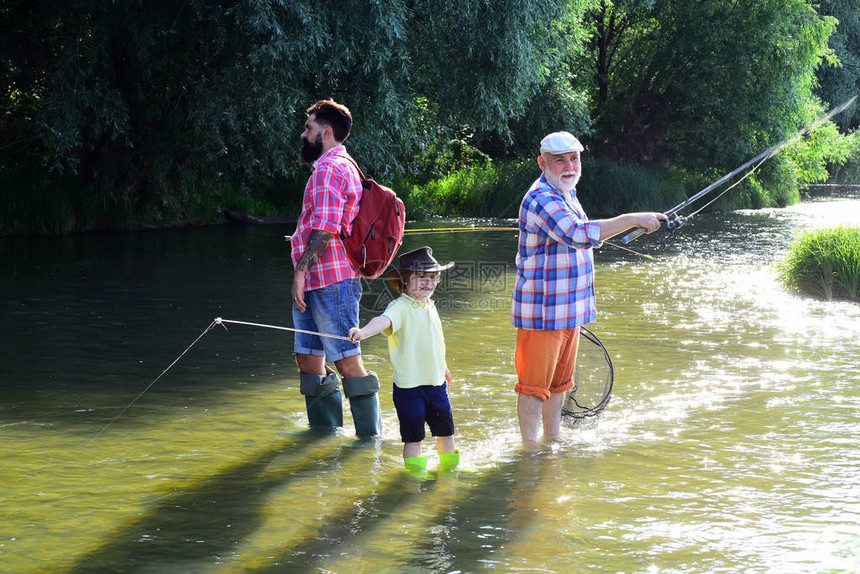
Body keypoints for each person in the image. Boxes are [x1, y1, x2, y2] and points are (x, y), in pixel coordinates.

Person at [512, 131, 667, 450]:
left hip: (569, 311)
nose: (569, 166)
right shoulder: (541, 197)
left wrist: (634, 222)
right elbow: (578, 234)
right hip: (543, 313)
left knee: (559, 385)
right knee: (533, 387)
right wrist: (631, 218)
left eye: (574, 158)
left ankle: (551, 440)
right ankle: (529, 451)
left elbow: (584, 232)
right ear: (543, 163)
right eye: (560, 161)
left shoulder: (566, 193)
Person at [289, 99, 382, 437]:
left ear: (326, 133)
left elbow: (327, 227)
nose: (304, 133)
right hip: (319, 279)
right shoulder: (333, 166)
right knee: (308, 359)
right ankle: (325, 436)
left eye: (309, 128)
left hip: (331, 281)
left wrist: (299, 273)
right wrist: (299, 239)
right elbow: (326, 222)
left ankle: (369, 440)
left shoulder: (330, 168)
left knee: (345, 359)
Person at [348, 247, 459, 472]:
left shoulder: (430, 306)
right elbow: (382, 321)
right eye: (421, 277)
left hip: (436, 384)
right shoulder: (400, 307)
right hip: (410, 388)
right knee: (413, 436)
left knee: (446, 431)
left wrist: (443, 367)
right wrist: (362, 332)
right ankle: (414, 475)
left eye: (432, 278)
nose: (428, 283)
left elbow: (434, 342)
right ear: (405, 282)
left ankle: (450, 470)